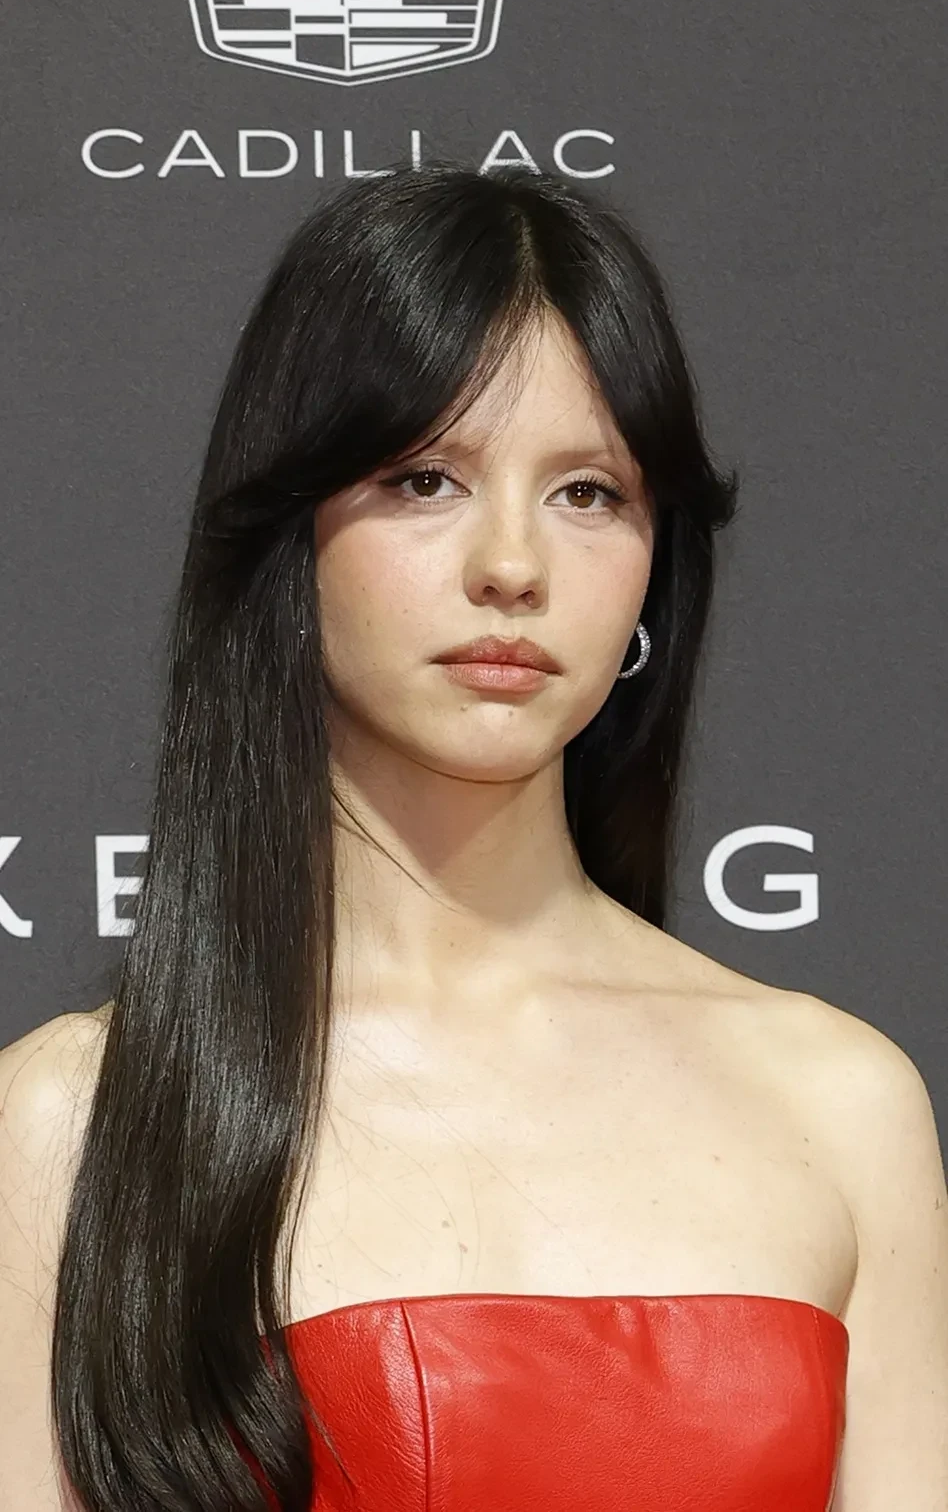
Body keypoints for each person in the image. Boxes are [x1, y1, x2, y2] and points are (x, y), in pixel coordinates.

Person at [1, 160, 946, 1512]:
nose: (513, 565)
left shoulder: (842, 1104)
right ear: (292, 532)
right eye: (427, 477)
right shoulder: (73, 1128)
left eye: (589, 493)